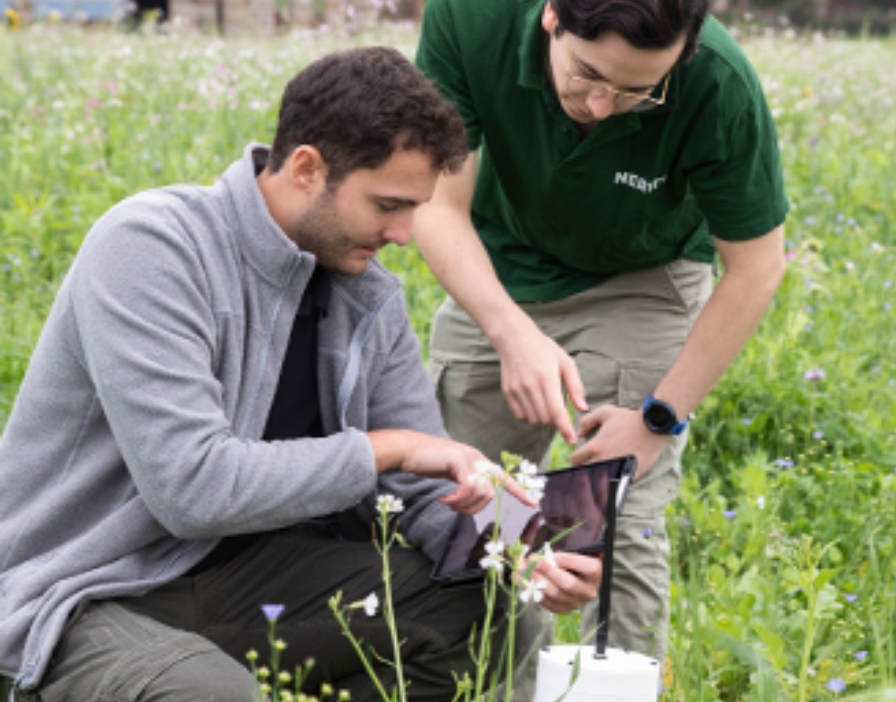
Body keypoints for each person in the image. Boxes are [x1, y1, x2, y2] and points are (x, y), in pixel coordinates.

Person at [0, 47, 601, 702]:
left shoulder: (369, 297)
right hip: (90, 589)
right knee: (210, 695)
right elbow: (192, 489)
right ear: (308, 168)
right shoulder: (151, 247)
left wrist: (520, 549)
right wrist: (389, 448)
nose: (405, 234)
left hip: (258, 583)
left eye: (416, 209)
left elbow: (423, 489)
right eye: (388, 204)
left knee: (494, 613)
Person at [414, 0, 788, 672]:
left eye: (636, 91)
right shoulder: (472, 18)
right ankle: (489, 680)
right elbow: (437, 204)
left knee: (615, 503)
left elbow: (757, 267)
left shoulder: (717, 82)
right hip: (498, 270)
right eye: (586, 75)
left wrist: (659, 418)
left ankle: (610, 688)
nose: (602, 105)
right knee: (471, 496)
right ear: (553, 16)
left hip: (641, 275)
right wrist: (509, 332)